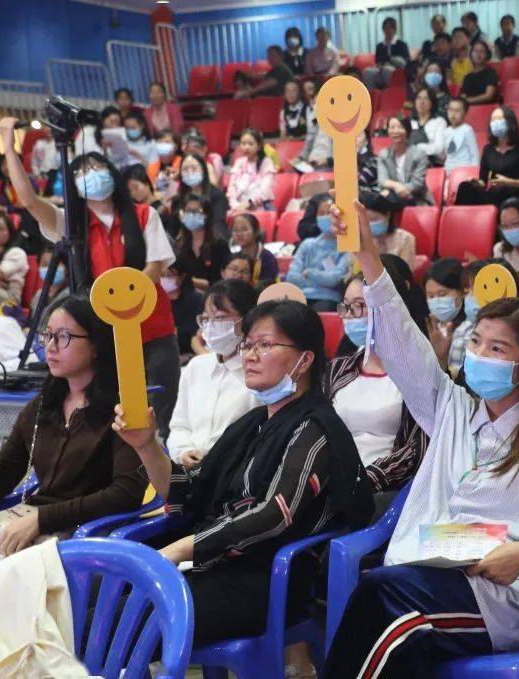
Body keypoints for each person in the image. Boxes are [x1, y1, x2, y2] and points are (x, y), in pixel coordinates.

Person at [322, 191, 519, 679]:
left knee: (384, 606)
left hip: (499, 595)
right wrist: (366, 255)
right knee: (396, 632)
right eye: (476, 342)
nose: (480, 355)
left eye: (498, 348)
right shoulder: (451, 408)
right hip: (427, 571)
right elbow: (399, 340)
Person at [114, 299, 374, 648]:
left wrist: (180, 551)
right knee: (95, 598)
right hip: (216, 564)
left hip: (262, 581)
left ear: (305, 359)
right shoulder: (252, 424)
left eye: (265, 344)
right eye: (247, 344)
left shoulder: (316, 428)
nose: (250, 355)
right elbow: (187, 492)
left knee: (118, 621)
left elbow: (273, 515)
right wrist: (146, 445)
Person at [0, 117, 181, 438]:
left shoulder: (142, 214)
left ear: (111, 172)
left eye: (96, 167)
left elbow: (155, 267)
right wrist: (10, 146)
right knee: (113, 420)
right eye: (81, 173)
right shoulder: (72, 224)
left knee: (160, 419)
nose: (90, 175)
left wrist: (121, 301)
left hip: (153, 331)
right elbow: (28, 200)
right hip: (101, 336)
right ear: (73, 184)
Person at [0, 295, 147, 555]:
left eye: (63, 337)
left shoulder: (122, 409)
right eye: (47, 335)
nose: (50, 347)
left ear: (96, 345)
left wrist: (42, 519)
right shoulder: (43, 406)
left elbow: (125, 494)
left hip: (89, 539)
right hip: (35, 532)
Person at [326, 266, 428, 493]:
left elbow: (416, 449)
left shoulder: (417, 373)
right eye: (346, 306)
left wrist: (364, 480)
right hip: (330, 480)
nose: (350, 315)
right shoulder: (339, 368)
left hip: (385, 489)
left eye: (359, 306)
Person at [167, 280, 258, 469]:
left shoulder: (257, 373)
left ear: (247, 318)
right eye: (206, 319)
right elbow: (179, 426)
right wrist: (183, 451)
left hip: (233, 475)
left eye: (220, 318)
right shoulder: (196, 367)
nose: (211, 326)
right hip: (187, 470)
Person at [455, 107, 519, 207]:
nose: (495, 122)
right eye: (493, 120)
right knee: (465, 187)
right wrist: (475, 182)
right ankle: (459, 220)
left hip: (512, 196)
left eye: (499, 119)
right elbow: (483, 181)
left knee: (504, 191)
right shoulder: (488, 149)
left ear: (509, 122)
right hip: (492, 195)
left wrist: (507, 182)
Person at [286, 209, 352, 312]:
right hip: (300, 295)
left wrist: (309, 273)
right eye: (322, 213)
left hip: (329, 299)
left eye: (330, 213)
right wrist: (321, 281)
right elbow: (291, 277)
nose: (326, 217)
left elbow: (334, 280)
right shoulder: (307, 244)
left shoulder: (347, 249)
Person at [174, 193, 229, 291]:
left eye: (195, 212)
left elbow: (222, 280)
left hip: (212, 295)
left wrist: (192, 282)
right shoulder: (180, 244)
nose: (190, 215)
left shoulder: (219, 244)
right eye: (187, 211)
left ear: (206, 215)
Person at [376, 116, 432, 207]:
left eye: (400, 127)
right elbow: (382, 180)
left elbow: (417, 184)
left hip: (415, 197)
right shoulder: (384, 154)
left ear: (407, 131)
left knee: (381, 199)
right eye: (392, 127)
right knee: (368, 199)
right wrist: (396, 186)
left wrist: (397, 189)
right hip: (393, 195)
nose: (396, 131)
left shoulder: (419, 154)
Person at [174, 152, 230, 240]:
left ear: (203, 170)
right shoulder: (177, 199)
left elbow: (218, 226)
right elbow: (172, 231)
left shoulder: (217, 196)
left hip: (210, 241)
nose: (190, 172)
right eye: (185, 169)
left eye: (194, 168)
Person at [360, 191, 416, 268]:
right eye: (365, 221)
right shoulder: (360, 239)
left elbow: (405, 274)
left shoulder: (405, 239)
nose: (369, 225)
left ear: (388, 215)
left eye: (374, 219)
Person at [226, 128, 275, 212]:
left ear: (259, 146)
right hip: (237, 207)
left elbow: (265, 191)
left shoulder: (267, 163)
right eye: (243, 144)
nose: (246, 147)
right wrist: (235, 205)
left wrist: (248, 203)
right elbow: (231, 188)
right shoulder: (239, 162)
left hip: (258, 207)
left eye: (250, 144)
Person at [161, 258, 202, 357]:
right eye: (162, 275)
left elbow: (196, 332)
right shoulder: (155, 300)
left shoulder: (196, 299)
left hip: (190, 352)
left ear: (182, 276)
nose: (165, 279)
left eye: (169, 276)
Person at [228, 212, 279, 284]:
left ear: (256, 231)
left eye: (244, 229)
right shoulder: (233, 256)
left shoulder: (267, 258)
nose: (239, 234)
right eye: (235, 230)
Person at [365, 17, 410, 90]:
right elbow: (377, 61)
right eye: (385, 28)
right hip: (381, 69)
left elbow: (406, 61)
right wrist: (380, 65)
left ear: (394, 29)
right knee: (368, 72)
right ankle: (373, 96)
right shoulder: (380, 46)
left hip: (396, 69)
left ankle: (391, 95)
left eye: (390, 28)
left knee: (387, 70)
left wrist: (392, 61)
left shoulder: (401, 44)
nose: (387, 30)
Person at [441, 97, 480, 173]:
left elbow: (474, 154)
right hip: (448, 170)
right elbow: (446, 154)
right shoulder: (446, 131)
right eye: (450, 110)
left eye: (457, 111)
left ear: (465, 113)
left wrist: (474, 172)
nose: (453, 114)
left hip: (464, 171)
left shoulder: (467, 129)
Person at [410, 87, 448, 163]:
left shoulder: (439, 122)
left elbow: (439, 149)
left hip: (432, 163)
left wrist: (416, 147)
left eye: (426, 99)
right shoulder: (410, 122)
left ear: (432, 103)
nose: (421, 102)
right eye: (419, 98)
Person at [147, 129, 182, 202]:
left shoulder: (183, 163)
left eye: (167, 142)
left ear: (175, 146)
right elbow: (151, 191)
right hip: (159, 202)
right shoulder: (151, 168)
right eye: (160, 142)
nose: (163, 145)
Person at [460, 40, 499, 106]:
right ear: (471, 54)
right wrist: (464, 101)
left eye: (482, 51)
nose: (478, 54)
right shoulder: (467, 77)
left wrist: (468, 100)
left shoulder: (491, 73)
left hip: (486, 108)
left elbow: (488, 96)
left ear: (487, 55)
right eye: (476, 51)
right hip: (469, 109)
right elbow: (463, 97)